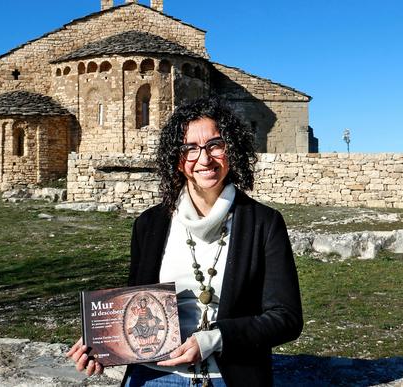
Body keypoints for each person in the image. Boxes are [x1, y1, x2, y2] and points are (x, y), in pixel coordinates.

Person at [67, 97, 303, 386]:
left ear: (232, 149)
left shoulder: (263, 223)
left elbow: (287, 318)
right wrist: (102, 340)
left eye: (215, 145)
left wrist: (214, 339)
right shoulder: (149, 225)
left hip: (228, 375)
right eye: (190, 149)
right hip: (155, 374)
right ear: (177, 160)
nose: (204, 159)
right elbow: (135, 304)